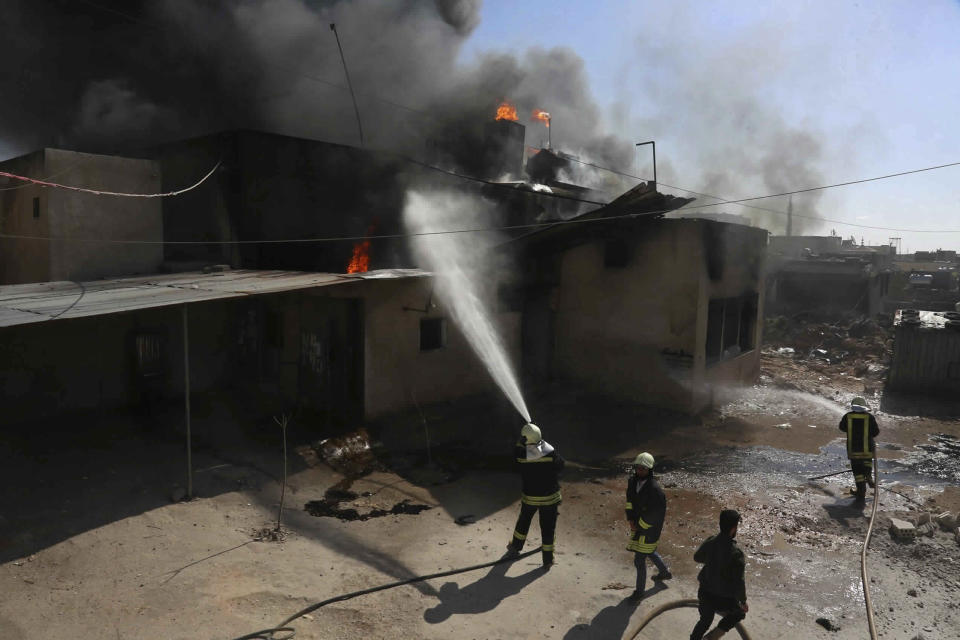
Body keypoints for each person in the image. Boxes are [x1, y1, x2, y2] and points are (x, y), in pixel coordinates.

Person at [505, 423, 564, 566]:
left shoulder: (521, 455)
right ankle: (548, 559)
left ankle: (516, 547)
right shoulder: (549, 452)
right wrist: (544, 446)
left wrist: (520, 445)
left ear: (525, 439)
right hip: (550, 498)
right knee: (548, 527)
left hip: (530, 498)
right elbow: (561, 465)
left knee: (523, 522)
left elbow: (514, 464)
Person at [690, 509, 748, 640]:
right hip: (723, 599)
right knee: (739, 613)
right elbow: (739, 583)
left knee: (705, 621)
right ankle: (712, 637)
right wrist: (743, 602)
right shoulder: (736, 554)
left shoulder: (711, 541)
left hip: (704, 593)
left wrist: (712, 559)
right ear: (733, 529)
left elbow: (697, 557)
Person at [625, 452, 671, 603]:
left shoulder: (655, 490)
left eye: (643, 469)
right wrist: (630, 518)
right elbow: (629, 502)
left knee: (639, 560)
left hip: (650, 530)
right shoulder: (632, 482)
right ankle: (664, 573)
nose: (640, 471)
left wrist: (640, 526)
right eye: (638, 468)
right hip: (638, 526)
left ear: (650, 470)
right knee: (649, 551)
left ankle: (639, 592)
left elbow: (656, 515)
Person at [838, 396, 880, 501]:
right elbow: (876, 432)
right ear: (864, 407)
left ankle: (861, 492)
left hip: (854, 450)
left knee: (857, 471)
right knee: (867, 463)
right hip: (867, 449)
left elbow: (842, 428)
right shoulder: (870, 417)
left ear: (853, 406)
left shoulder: (847, 416)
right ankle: (869, 475)